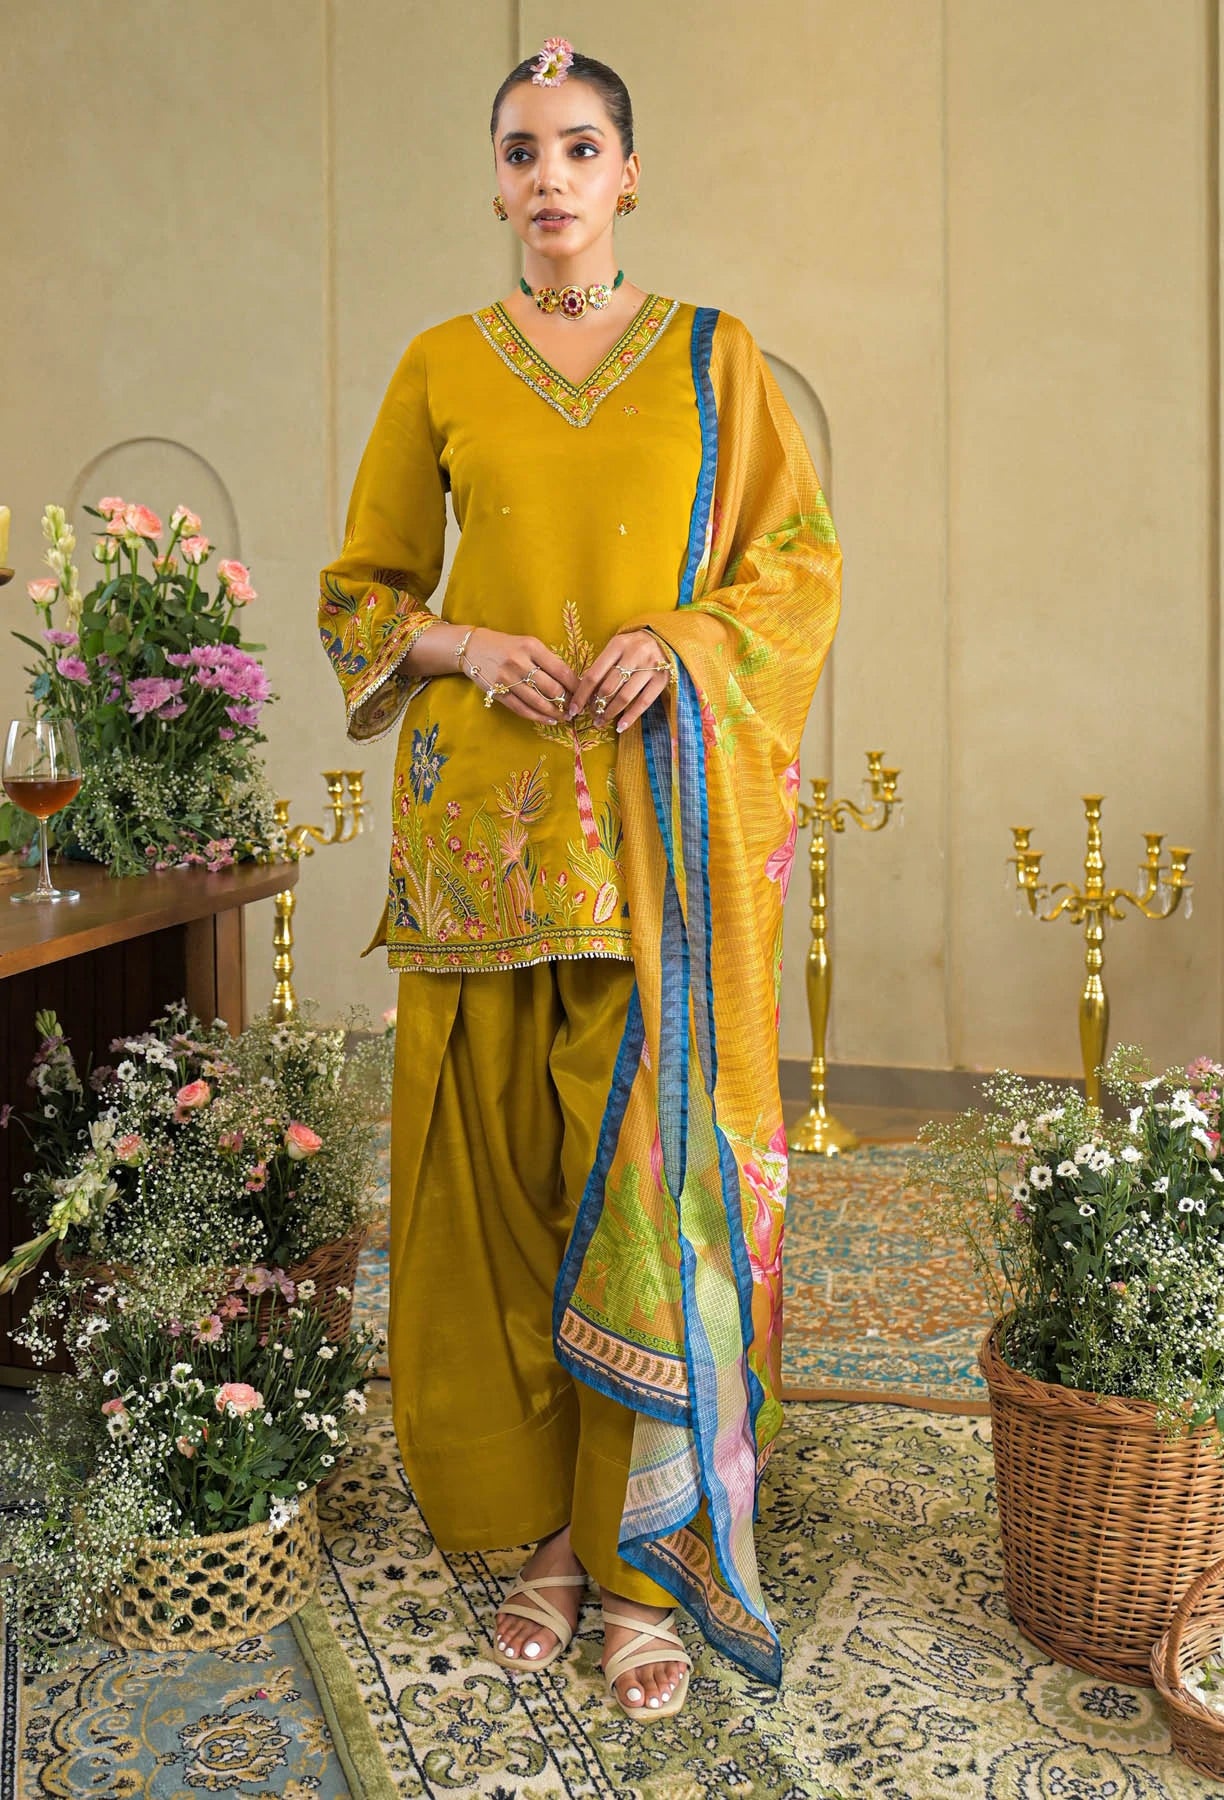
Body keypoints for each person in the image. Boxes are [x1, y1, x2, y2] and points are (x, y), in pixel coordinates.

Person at [318, 35, 841, 1720]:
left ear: (629, 177)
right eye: (523, 149)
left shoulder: (715, 360)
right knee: (494, 1202)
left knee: (648, 1202)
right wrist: (465, 641)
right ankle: (539, 1538)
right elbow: (359, 596)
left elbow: (796, 573)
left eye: (583, 147)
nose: (552, 177)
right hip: (477, 857)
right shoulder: (438, 367)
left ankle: (638, 1569)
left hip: (653, 858)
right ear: (495, 180)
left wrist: (678, 641)